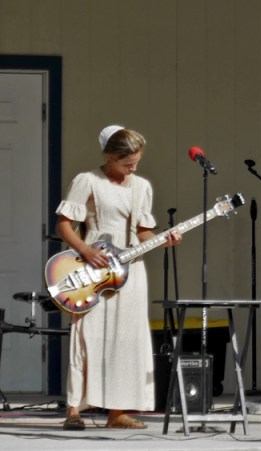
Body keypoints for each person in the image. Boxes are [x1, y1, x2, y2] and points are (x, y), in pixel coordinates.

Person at [56, 125, 182, 430]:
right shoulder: (87, 181)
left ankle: (117, 412)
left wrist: (163, 239)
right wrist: (85, 250)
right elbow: (64, 223)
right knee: (87, 336)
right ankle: (75, 409)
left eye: (136, 162)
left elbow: (142, 231)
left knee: (127, 340)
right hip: (94, 267)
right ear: (109, 157)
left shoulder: (141, 186)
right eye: (127, 163)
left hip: (131, 270)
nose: (133, 168)